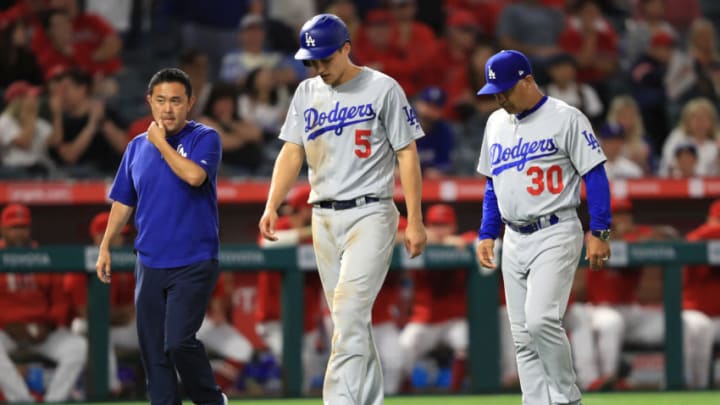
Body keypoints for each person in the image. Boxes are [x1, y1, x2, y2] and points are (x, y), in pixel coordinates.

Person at [258, 13, 427, 405]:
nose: (318, 68)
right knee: (348, 322)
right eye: (311, 62)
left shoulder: (383, 88)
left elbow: (407, 152)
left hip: (371, 211)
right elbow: (292, 150)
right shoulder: (306, 92)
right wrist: (272, 204)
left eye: (325, 60)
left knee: (348, 312)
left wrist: (415, 219)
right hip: (323, 216)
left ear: (346, 48)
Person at [475, 49, 611, 405]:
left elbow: (594, 173)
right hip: (513, 236)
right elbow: (493, 183)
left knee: (541, 321)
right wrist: (487, 232)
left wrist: (599, 231)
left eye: (504, 90)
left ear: (528, 80)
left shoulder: (566, 117)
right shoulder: (495, 123)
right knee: (521, 335)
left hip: (556, 229)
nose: (499, 98)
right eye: (494, 92)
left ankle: (567, 398)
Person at [95, 67, 227, 405]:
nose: (168, 109)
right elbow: (123, 200)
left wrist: (161, 143)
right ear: (149, 102)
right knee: (154, 355)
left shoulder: (205, 137)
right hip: (150, 263)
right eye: (161, 101)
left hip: (193, 260)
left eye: (176, 101)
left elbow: (195, 177)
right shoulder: (136, 147)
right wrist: (106, 245)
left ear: (190, 103)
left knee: (178, 342)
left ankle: (213, 401)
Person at [0, 203, 87, 402]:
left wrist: (49, 325)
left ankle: (53, 401)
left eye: (23, 227)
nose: (19, 233)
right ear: (3, 229)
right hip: (5, 331)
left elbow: (60, 299)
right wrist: (6, 323)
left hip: (42, 330)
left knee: (78, 347)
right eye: (14, 228)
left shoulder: (44, 255)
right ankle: (22, 400)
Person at [65, 211, 136, 395]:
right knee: (97, 333)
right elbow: (86, 314)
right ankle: (111, 390)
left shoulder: (123, 266)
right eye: (118, 232)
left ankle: (169, 386)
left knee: (155, 332)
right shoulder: (80, 266)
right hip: (78, 328)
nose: (122, 238)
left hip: (113, 326)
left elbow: (133, 310)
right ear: (100, 236)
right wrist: (118, 315)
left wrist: (118, 315)